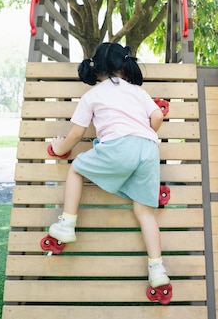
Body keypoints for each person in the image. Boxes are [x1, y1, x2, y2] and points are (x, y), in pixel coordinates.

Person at [48, 42, 170, 290]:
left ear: (97, 69)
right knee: (145, 212)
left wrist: (60, 148)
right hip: (148, 149)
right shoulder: (137, 92)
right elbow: (157, 116)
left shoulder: (93, 95)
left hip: (119, 147)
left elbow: (76, 133)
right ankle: (157, 269)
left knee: (76, 169)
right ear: (124, 67)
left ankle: (67, 223)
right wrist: (145, 132)